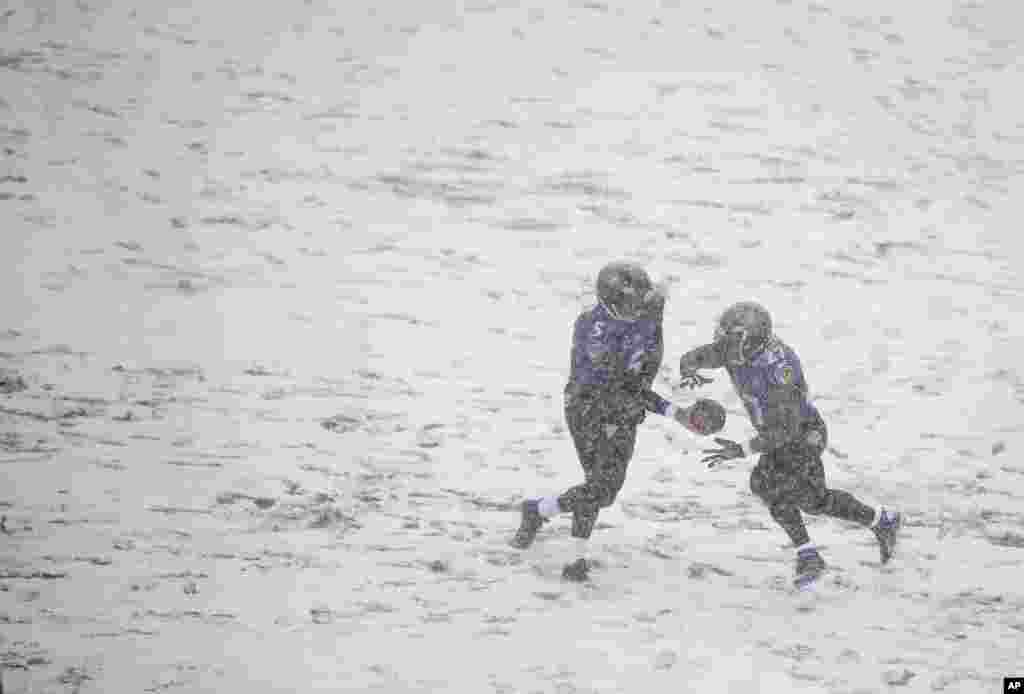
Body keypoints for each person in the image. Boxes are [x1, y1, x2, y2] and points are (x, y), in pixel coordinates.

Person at [511, 261, 726, 582]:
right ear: (610, 303)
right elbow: (625, 389)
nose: (636, 310)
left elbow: (640, 378)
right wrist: (675, 413)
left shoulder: (647, 312)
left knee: (598, 486)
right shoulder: (594, 333)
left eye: (639, 302)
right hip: (589, 408)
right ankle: (564, 546)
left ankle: (544, 519)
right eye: (628, 304)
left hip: (625, 409)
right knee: (600, 487)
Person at [680, 301, 902, 587]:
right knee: (774, 487)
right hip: (779, 434)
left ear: (747, 339)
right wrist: (688, 366)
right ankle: (816, 551)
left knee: (805, 497)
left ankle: (873, 526)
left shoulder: (778, 370)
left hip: (803, 435)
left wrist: (741, 450)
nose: (722, 342)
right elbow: (706, 354)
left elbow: (784, 431)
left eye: (729, 337)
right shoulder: (741, 350)